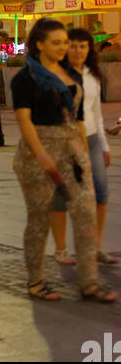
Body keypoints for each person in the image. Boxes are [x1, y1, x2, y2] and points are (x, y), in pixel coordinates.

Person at [12, 18, 116, 302]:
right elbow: (24, 120)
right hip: (39, 152)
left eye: (64, 42)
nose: (63, 48)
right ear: (39, 44)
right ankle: (35, 281)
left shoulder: (73, 74)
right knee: (40, 217)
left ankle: (90, 282)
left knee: (85, 210)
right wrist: (41, 154)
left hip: (72, 149)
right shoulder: (26, 78)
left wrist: (83, 152)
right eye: (56, 42)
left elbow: (79, 119)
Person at [49, 26, 116, 268]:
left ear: (90, 49)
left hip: (92, 138)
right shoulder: (57, 75)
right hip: (65, 141)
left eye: (83, 46)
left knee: (100, 192)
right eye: (73, 45)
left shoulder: (92, 75)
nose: (78, 51)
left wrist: (105, 145)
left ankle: (95, 246)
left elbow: (96, 112)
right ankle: (60, 248)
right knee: (61, 194)